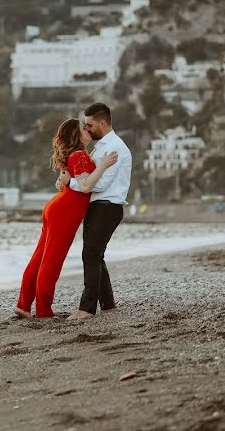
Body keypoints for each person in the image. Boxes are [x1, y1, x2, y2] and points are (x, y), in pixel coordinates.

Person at [15, 119, 118, 319]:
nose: (88, 129)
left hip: (57, 208)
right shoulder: (79, 155)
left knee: (39, 259)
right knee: (51, 262)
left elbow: (70, 182)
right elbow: (86, 185)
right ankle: (43, 312)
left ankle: (23, 305)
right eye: (83, 128)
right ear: (76, 135)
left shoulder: (77, 155)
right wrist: (103, 165)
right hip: (64, 212)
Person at [57, 102, 132, 320]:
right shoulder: (101, 147)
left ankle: (86, 309)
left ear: (102, 122)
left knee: (90, 254)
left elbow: (98, 185)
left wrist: (71, 182)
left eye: (90, 125)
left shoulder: (114, 148)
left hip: (107, 206)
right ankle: (108, 305)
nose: (87, 129)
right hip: (100, 206)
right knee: (96, 256)